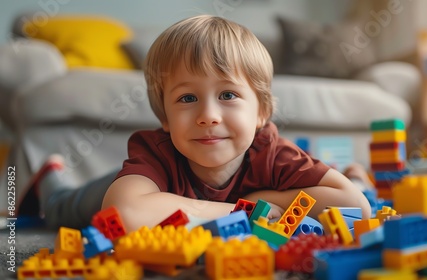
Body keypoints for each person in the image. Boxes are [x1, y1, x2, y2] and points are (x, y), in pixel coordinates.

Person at [20, 15, 372, 231]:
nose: (208, 115)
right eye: (187, 99)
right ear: (165, 118)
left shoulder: (272, 152)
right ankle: (50, 177)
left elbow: (356, 207)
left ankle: (352, 172)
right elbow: (123, 211)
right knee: (62, 209)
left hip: (157, 197)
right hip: (124, 185)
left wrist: (264, 197)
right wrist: (245, 210)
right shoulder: (155, 151)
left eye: (228, 96)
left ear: (262, 112)